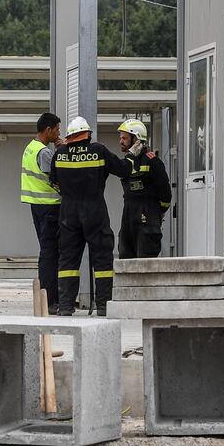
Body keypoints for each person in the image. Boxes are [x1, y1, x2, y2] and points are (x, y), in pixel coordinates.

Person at [49, 116, 133, 317]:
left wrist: (69, 195)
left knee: (68, 259)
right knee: (102, 258)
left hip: (69, 211)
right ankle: (103, 305)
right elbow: (124, 170)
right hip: (95, 209)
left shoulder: (59, 154)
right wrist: (133, 154)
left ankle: (66, 306)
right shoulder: (98, 150)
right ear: (87, 134)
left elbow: (53, 181)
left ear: (69, 136)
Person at [20, 113, 63, 315]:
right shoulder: (45, 153)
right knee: (50, 254)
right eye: (57, 129)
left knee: (46, 253)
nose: (59, 133)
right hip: (50, 207)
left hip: (37, 206)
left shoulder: (30, 148)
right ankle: (51, 301)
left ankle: (46, 298)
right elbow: (56, 177)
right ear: (48, 130)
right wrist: (61, 152)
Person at [116, 119, 172, 259]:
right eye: (120, 138)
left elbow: (165, 193)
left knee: (146, 260)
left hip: (148, 216)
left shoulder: (153, 161)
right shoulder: (127, 161)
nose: (120, 141)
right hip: (128, 216)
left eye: (124, 138)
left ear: (136, 139)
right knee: (125, 258)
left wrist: (159, 211)